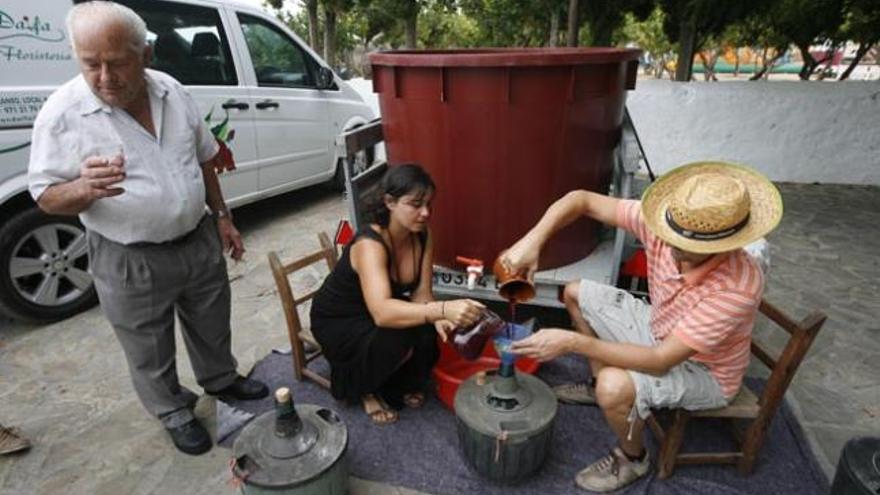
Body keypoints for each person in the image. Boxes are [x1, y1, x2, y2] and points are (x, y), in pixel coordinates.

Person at [27, 1, 267, 456]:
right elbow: (44, 195)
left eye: (117, 63)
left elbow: (204, 158)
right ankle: (173, 410)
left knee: (212, 322)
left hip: (196, 238)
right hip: (127, 255)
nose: (104, 77)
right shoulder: (61, 115)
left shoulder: (173, 92)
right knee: (146, 344)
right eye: (90, 64)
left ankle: (221, 380)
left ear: (147, 54)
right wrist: (82, 187)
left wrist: (223, 218)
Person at [502, 162, 782, 492]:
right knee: (575, 292)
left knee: (614, 386)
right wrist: (532, 241)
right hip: (659, 328)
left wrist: (572, 344)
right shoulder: (664, 225)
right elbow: (581, 200)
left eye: (684, 243)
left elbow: (662, 360)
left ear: (724, 244)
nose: (668, 244)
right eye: (669, 233)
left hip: (704, 372)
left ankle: (633, 457)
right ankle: (596, 386)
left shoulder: (738, 286)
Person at [310, 164, 485, 424]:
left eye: (428, 204)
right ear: (390, 202)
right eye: (415, 204)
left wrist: (439, 318)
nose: (425, 213)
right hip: (339, 318)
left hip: (377, 309)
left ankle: (397, 383)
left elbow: (423, 295)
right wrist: (442, 310)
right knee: (395, 333)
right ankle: (363, 389)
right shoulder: (370, 244)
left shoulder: (423, 235)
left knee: (428, 330)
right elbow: (382, 314)